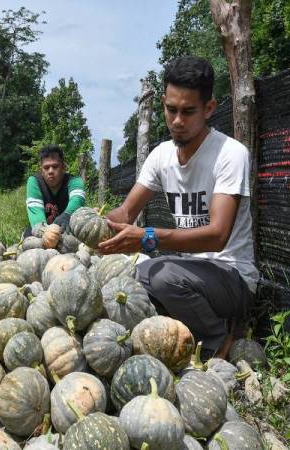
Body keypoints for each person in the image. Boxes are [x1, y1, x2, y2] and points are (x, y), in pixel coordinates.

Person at [98, 56, 258, 359]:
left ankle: (217, 342)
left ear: (209, 109)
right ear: (163, 103)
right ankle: (204, 325)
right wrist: (96, 227)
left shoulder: (230, 154)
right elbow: (125, 213)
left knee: (161, 276)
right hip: (189, 273)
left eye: (188, 112)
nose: (177, 121)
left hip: (232, 276)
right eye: (171, 110)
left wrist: (148, 236)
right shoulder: (161, 156)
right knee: (132, 274)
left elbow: (217, 235)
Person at [24, 144, 86, 235]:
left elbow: (78, 198)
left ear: (63, 167)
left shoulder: (74, 181)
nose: (50, 171)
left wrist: (67, 215)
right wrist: (46, 233)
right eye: (46, 167)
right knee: (32, 242)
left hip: (68, 228)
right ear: (41, 170)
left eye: (55, 166)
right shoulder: (34, 182)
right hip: (42, 231)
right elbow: (36, 216)